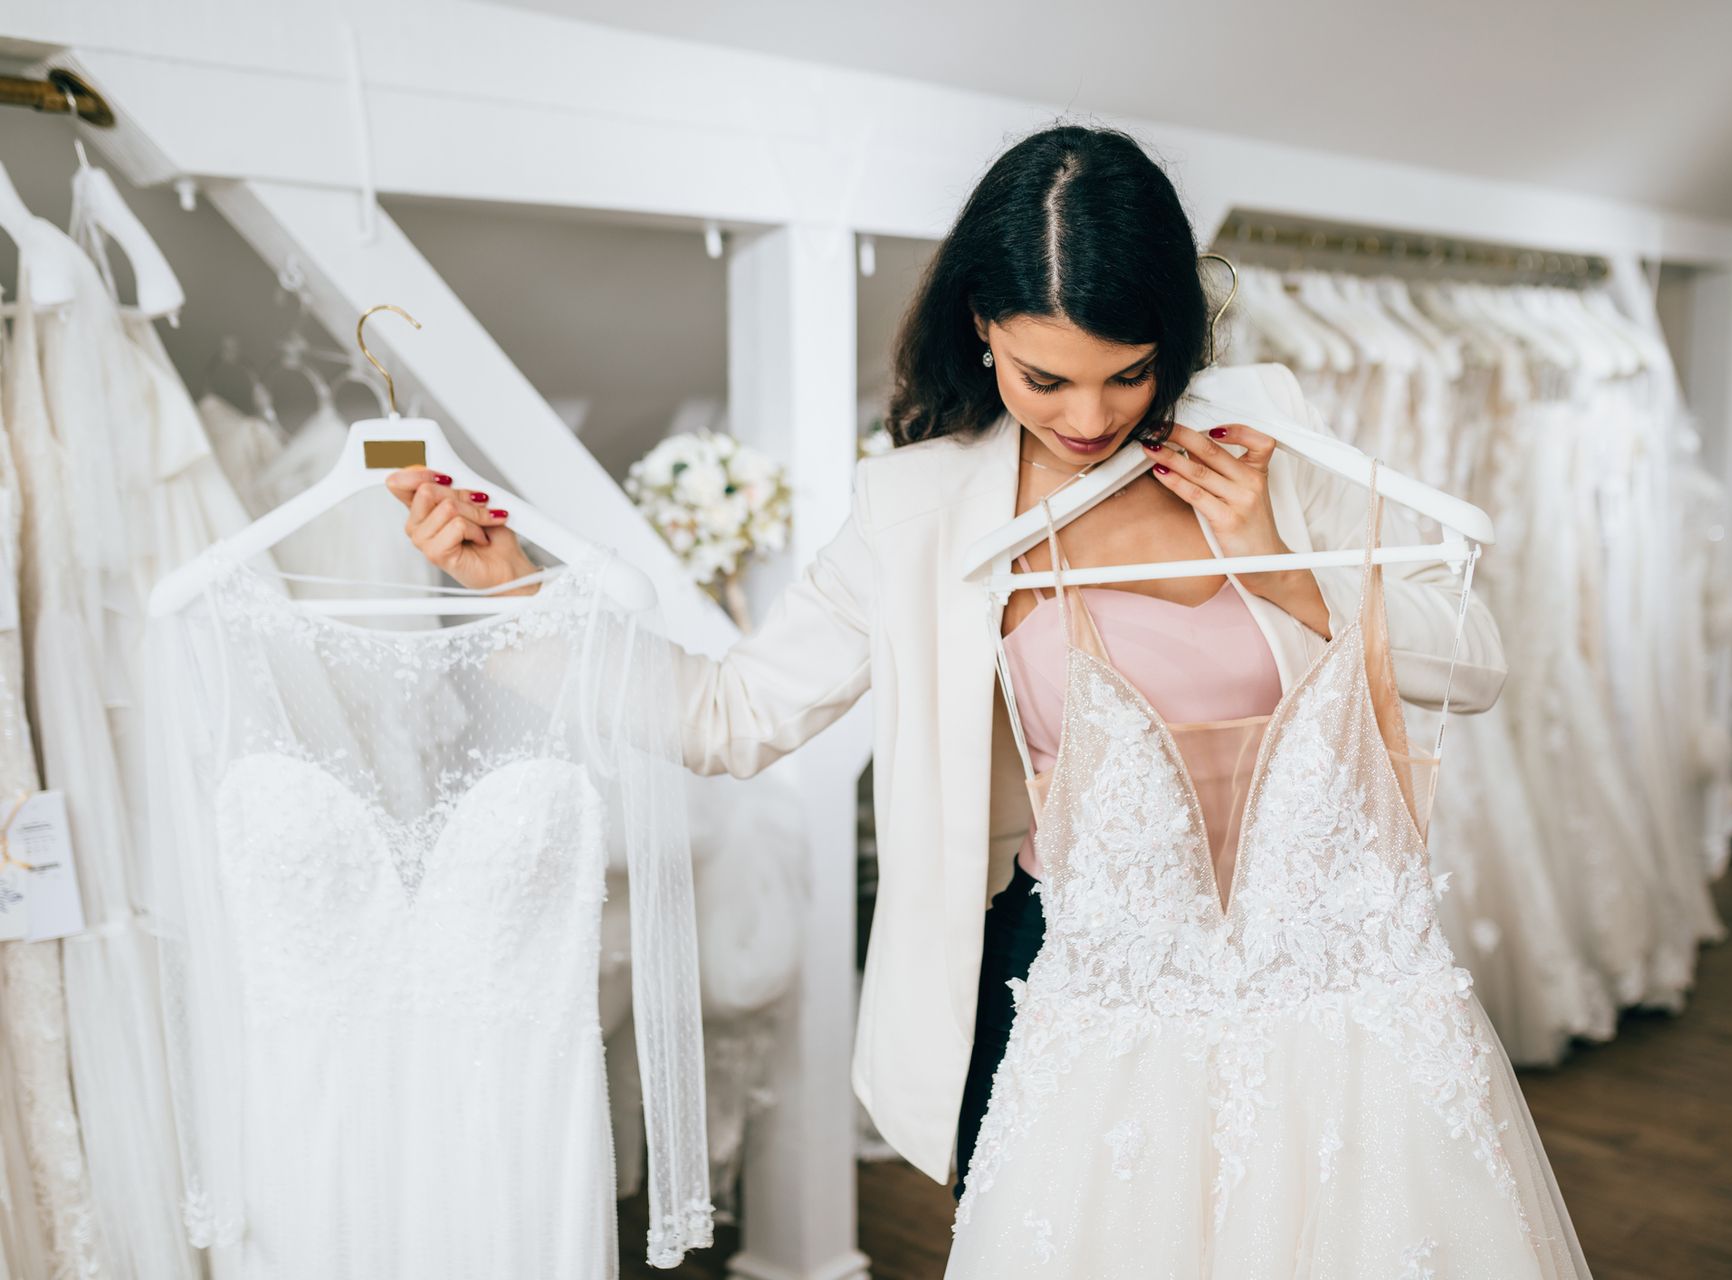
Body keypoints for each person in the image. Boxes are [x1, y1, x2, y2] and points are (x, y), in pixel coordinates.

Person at [385, 124, 1511, 1230]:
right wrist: (515, 594)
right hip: (1070, 973)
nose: (1090, 418)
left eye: (1129, 373)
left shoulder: (1262, 445)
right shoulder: (917, 509)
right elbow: (730, 716)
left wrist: (1291, 569)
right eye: (1045, 377)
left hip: (1308, 976)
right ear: (982, 328)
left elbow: (1473, 666)